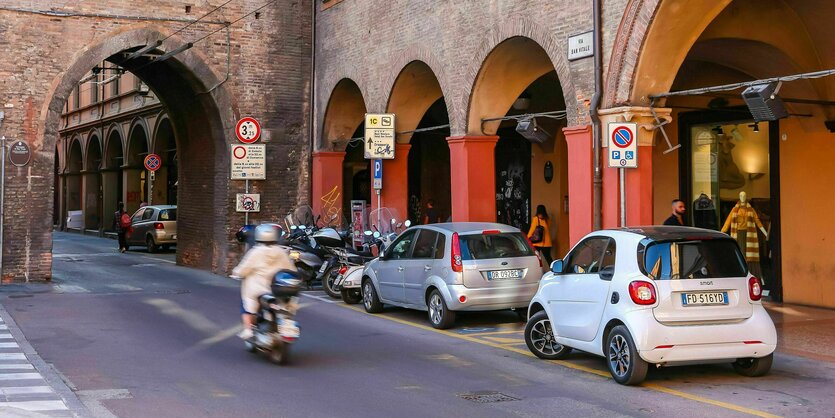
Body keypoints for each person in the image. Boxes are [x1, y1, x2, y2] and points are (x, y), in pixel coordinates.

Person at [232, 224, 296, 340]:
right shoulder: (280, 252)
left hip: (258, 289)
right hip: (277, 288)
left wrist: (236, 273)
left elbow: (244, 268)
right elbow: (291, 269)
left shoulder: (255, 252)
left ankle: (248, 329)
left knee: (246, 305)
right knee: (287, 306)